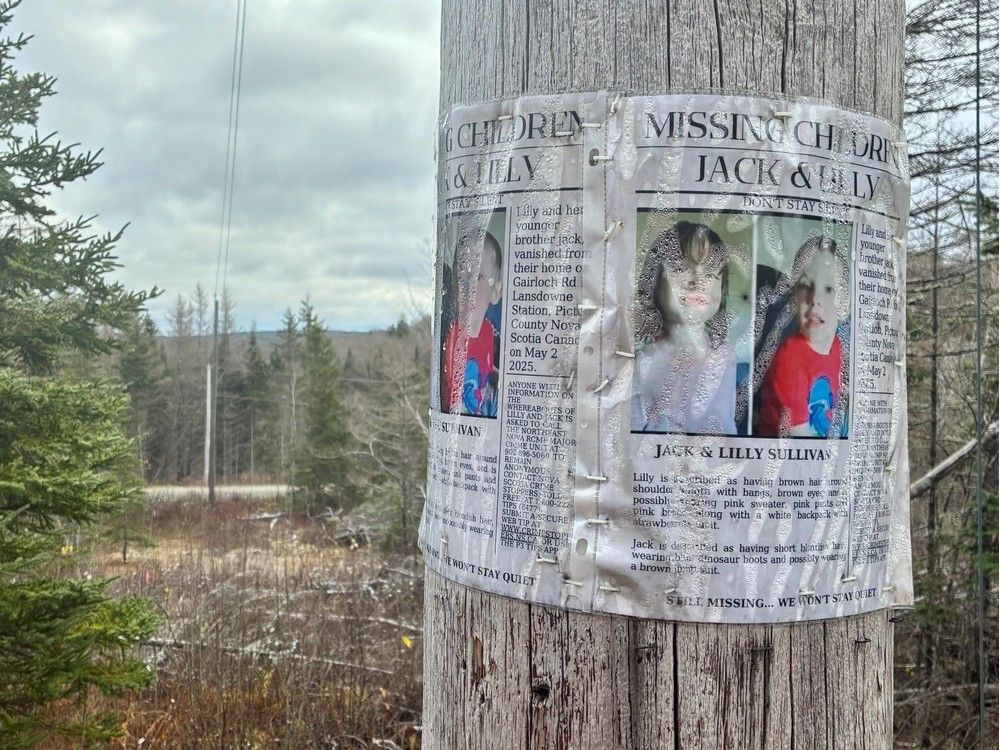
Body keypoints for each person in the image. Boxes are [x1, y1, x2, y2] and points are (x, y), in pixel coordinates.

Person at [631, 221, 738, 434]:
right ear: (653, 281)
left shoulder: (725, 355)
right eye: (682, 269)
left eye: (710, 274)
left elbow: (726, 424)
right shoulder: (641, 354)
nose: (698, 282)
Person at [756, 235, 849, 438]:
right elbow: (800, 438)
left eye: (829, 289)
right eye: (806, 286)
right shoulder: (790, 358)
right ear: (794, 298)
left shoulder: (838, 346)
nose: (815, 299)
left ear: (845, 304)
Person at [440, 229, 503, 417]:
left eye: (478, 277)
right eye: (461, 277)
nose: (467, 287)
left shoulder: (488, 331)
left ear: (496, 291)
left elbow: (483, 362)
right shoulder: (450, 339)